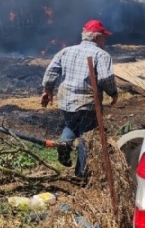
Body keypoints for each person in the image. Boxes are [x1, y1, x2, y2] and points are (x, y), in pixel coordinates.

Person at [40, 19, 119, 178]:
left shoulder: (66, 51)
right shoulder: (101, 55)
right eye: (104, 37)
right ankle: (82, 173)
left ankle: (64, 143)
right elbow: (105, 79)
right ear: (96, 38)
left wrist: (48, 90)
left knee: (71, 125)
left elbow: (51, 70)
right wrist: (113, 93)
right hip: (87, 102)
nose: (105, 40)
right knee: (86, 137)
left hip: (66, 99)